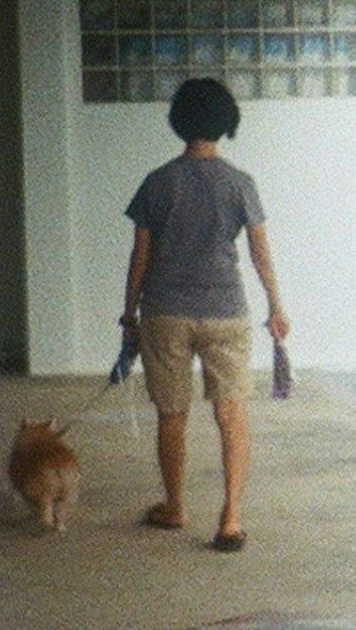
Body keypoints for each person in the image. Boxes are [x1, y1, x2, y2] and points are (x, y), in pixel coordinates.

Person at [120, 77, 290, 554]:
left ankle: (175, 506)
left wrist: (128, 314)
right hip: (225, 312)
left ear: (179, 122)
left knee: (172, 414)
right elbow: (260, 252)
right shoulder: (240, 183)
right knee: (232, 414)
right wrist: (275, 304)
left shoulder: (158, 182)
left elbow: (140, 258)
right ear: (226, 123)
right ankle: (231, 519)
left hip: (165, 312)